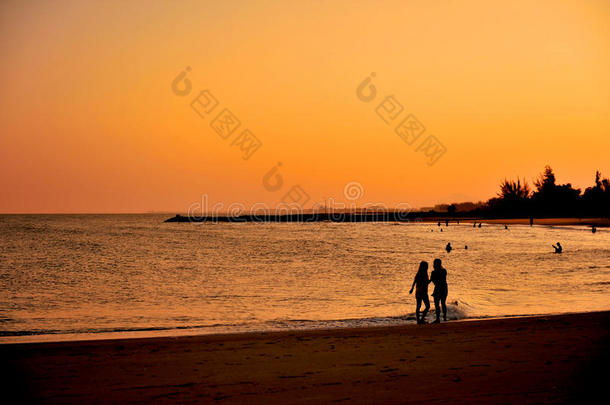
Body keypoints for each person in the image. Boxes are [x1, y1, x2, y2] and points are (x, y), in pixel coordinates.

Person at [430, 258, 448, 323]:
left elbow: (431, 280)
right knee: (443, 303)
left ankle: (438, 319)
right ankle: (444, 318)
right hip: (444, 288)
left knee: (437, 304)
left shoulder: (433, 272)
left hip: (438, 289)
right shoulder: (444, 271)